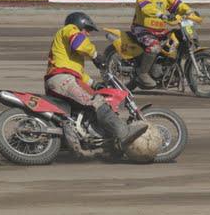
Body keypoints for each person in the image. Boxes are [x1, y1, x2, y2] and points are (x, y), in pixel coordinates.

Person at [45, 12, 148, 145]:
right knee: (97, 101)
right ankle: (124, 132)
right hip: (63, 80)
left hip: (61, 80)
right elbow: (78, 42)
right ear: (78, 24)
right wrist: (95, 55)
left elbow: (79, 73)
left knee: (89, 104)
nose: (88, 34)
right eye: (87, 29)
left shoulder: (67, 55)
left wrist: (94, 84)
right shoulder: (70, 29)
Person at [130, 0, 192, 89]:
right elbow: (147, 8)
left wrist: (189, 11)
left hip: (159, 30)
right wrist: (160, 14)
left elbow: (177, 4)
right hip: (142, 29)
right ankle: (143, 74)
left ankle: (170, 71)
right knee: (155, 47)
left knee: (176, 41)